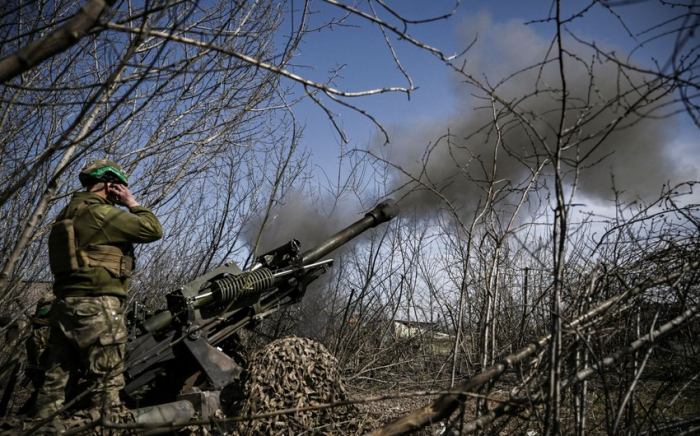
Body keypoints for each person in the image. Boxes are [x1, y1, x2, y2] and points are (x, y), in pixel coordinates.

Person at [33, 159, 163, 420]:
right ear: (110, 184)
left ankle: (43, 427)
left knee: (53, 389)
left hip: (64, 307)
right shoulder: (99, 213)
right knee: (106, 387)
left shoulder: (68, 213)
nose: (122, 191)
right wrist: (132, 203)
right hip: (97, 307)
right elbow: (152, 229)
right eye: (120, 186)